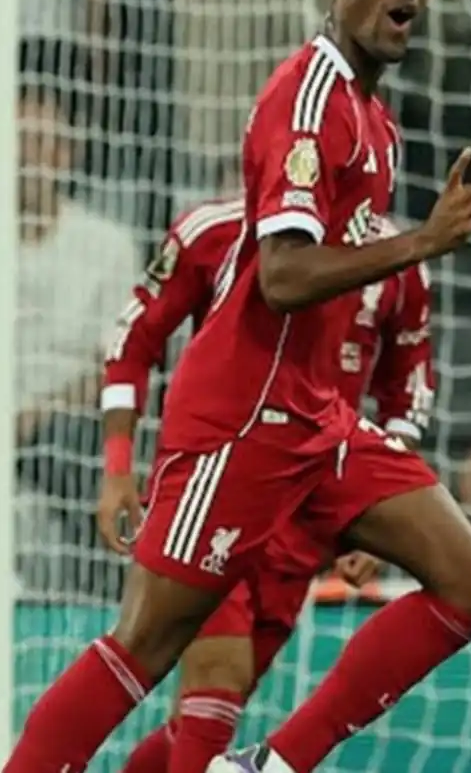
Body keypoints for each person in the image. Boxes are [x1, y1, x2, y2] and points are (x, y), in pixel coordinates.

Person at [1, 0, 471, 773]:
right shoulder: (306, 99)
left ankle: (269, 765)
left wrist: (411, 262)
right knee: (149, 646)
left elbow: (402, 359)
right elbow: (283, 276)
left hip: (321, 420)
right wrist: (421, 241)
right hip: (243, 418)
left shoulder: (376, 121)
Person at [97, 196, 435, 773]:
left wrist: (373, 510)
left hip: (306, 511)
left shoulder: (395, 258)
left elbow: (408, 391)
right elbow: (134, 342)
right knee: (218, 677)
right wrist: (117, 466)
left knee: (207, 712)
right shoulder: (213, 231)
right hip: (214, 483)